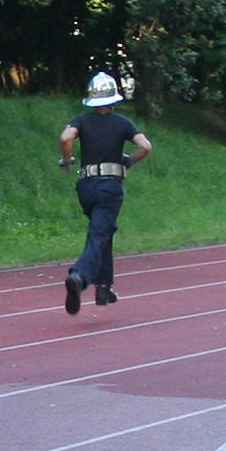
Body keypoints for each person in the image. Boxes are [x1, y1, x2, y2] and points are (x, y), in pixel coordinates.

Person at [55, 72, 150, 316]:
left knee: (102, 231)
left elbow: (66, 138)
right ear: (113, 99)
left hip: (86, 186)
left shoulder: (81, 120)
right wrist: (129, 161)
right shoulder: (123, 123)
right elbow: (145, 146)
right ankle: (79, 276)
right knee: (99, 234)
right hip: (110, 187)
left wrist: (67, 159)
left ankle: (104, 288)